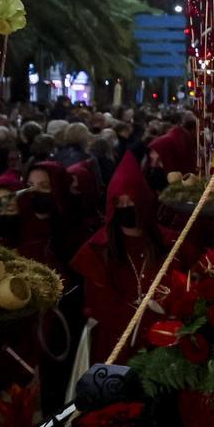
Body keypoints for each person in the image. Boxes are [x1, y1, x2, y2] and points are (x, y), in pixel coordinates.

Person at [71, 152, 181, 365]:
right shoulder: (97, 250)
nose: (125, 208)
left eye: (130, 201)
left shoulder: (170, 243)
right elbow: (98, 304)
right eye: (118, 203)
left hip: (166, 343)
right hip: (115, 344)